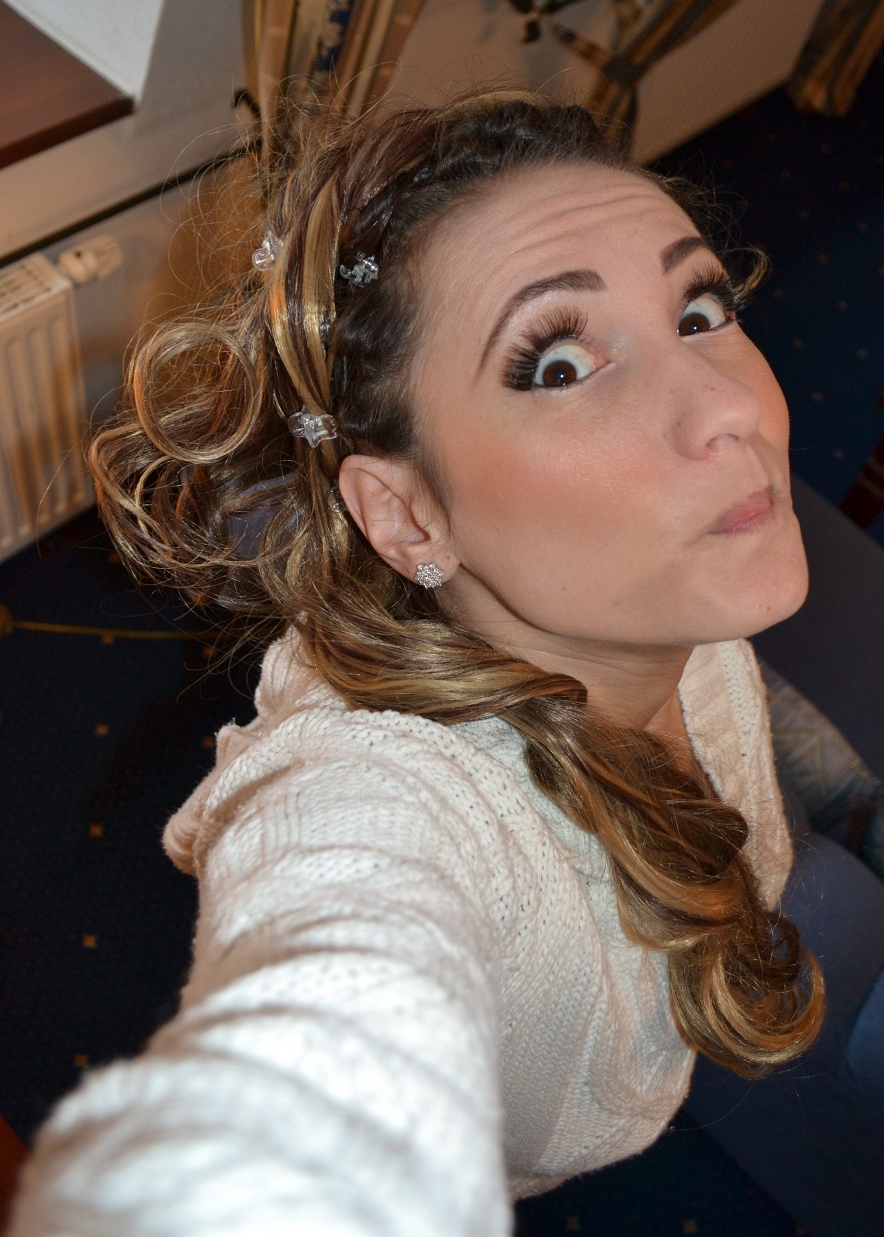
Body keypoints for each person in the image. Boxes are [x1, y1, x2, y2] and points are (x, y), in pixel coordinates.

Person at [9, 91, 824, 1236]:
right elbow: (336, 979)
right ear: (405, 516)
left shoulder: (671, 602)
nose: (731, 407)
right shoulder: (386, 798)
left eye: (699, 310)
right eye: (557, 365)